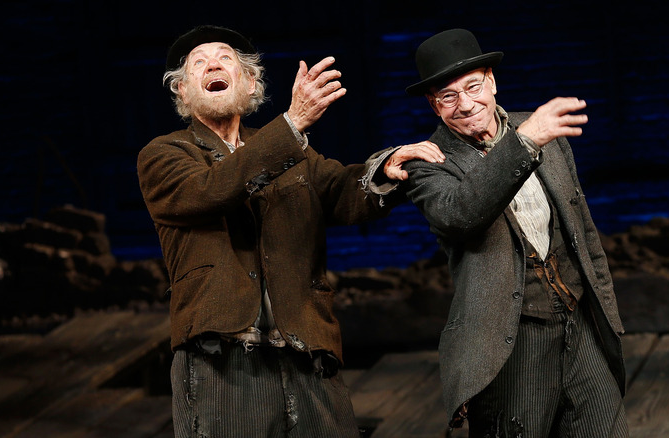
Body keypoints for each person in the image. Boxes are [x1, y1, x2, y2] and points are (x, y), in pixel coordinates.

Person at [136, 25, 444, 438]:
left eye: (226, 58)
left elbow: (341, 192)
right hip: (223, 364)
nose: (213, 63)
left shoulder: (289, 148)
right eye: (198, 63)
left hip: (306, 355)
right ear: (182, 93)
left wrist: (385, 170)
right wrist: (293, 123)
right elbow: (208, 191)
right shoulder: (165, 154)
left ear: (251, 84)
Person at [399, 29, 628, 437]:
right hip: (511, 341)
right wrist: (524, 142)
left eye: (473, 86)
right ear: (434, 106)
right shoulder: (428, 162)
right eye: (448, 96)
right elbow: (461, 213)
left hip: (580, 324)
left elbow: (583, 231)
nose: (466, 104)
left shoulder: (539, 132)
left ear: (492, 81)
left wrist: (607, 313)